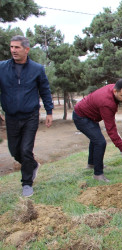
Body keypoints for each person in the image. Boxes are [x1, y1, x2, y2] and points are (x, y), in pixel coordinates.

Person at [0, 35, 54, 197]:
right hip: (11, 116)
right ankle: (32, 165)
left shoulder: (37, 69)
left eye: (17, 47)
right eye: (11, 47)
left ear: (26, 49)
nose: (13, 50)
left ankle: (27, 183)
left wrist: (49, 111)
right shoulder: (2, 67)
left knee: (25, 149)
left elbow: (45, 90)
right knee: (14, 151)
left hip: (30, 115)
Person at [73, 79, 122, 182]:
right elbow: (111, 129)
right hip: (81, 117)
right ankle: (98, 174)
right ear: (115, 91)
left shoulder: (114, 88)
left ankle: (91, 164)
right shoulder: (107, 103)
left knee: (95, 139)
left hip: (90, 116)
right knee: (100, 142)